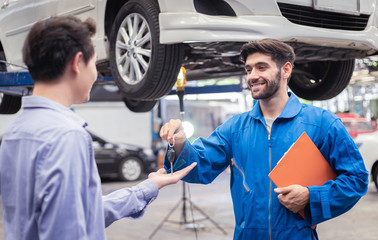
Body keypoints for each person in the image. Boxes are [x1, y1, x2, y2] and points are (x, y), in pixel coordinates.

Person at [0, 15, 196, 240]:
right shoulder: (67, 136)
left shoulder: (13, 135)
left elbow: (83, 214)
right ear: (77, 62)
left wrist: (148, 187)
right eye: (94, 63)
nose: (95, 74)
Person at [160, 39, 369, 239]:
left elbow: (356, 180)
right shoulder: (235, 128)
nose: (252, 76)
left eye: (261, 67)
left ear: (285, 70)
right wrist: (179, 145)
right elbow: (200, 166)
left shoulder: (322, 124)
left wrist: (311, 196)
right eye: (249, 69)